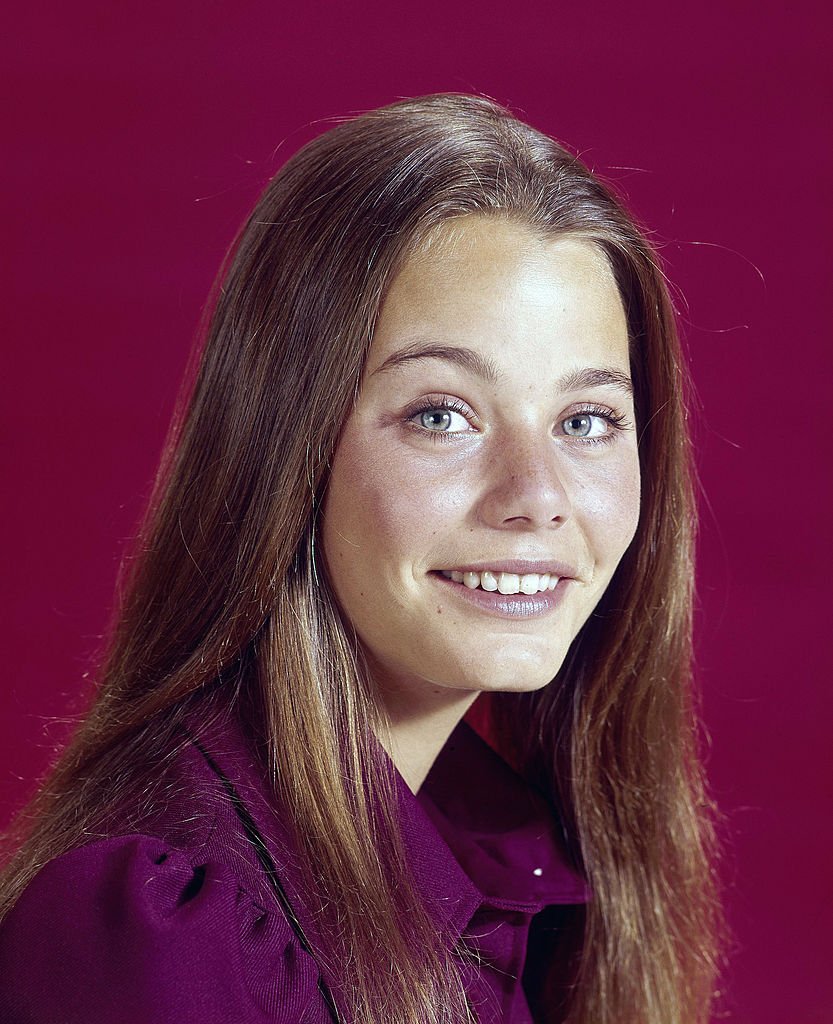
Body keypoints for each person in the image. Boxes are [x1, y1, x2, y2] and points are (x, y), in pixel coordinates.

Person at [0, 93, 720, 1023]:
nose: (537, 495)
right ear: (288, 449)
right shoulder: (163, 937)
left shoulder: (508, 873)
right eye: (441, 415)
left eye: (585, 421)